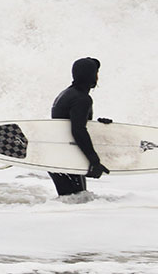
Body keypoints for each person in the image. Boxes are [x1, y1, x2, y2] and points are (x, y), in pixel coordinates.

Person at [48, 56, 112, 196]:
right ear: (90, 75)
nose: (97, 77)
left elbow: (71, 125)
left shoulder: (67, 94)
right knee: (77, 200)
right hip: (66, 159)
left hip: (57, 156)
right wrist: (94, 161)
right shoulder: (82, 99)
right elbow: (78, 130)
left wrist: (100, 127)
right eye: (96, 73)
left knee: (74, 200)